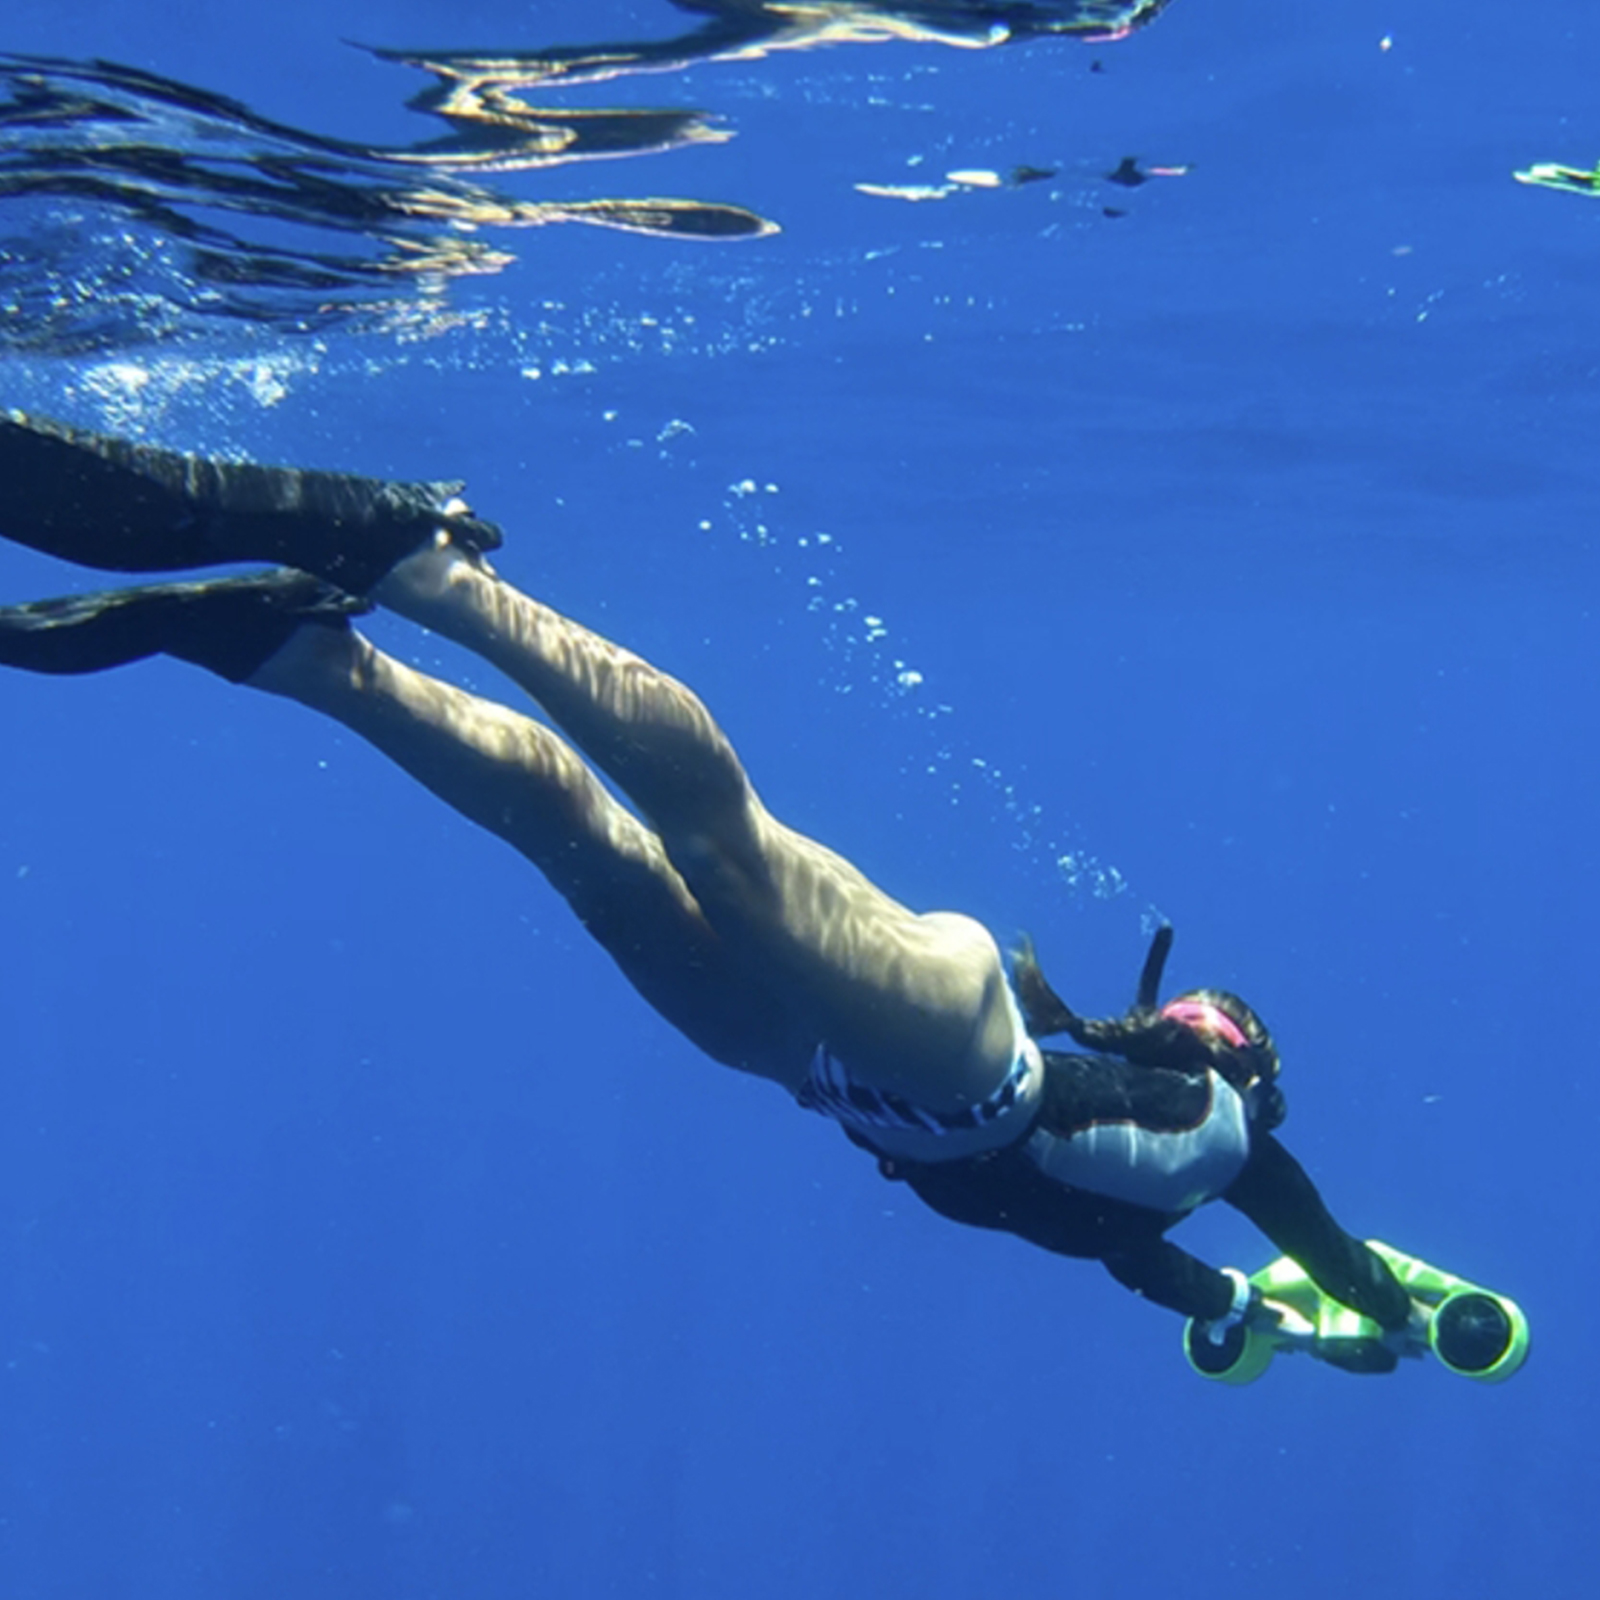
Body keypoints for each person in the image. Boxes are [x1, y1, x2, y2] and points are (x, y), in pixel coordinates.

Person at [0, 409, 1418, 1363]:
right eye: (1214, 1023)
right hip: (960, 1062)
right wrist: (1394, 1318)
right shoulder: (1246, 1152)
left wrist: (1244, 1318)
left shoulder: (1159, 1214)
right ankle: (425, 568)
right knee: (719, 847)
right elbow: (1338, 1256)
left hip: (827, 1079)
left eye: (1221, 1025)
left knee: (580, 846)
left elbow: (1152, 1267)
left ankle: (301, 653)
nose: (1207, 1030)